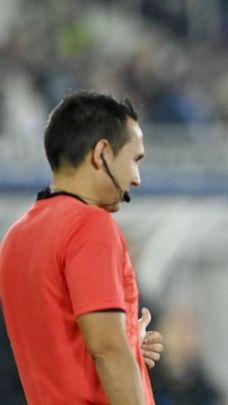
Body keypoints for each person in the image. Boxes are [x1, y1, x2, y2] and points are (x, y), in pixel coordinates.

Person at [0, 91, 164, 405]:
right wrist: (120, 349)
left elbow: (61, 346)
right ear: (101, 153)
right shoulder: (90, 225)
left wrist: (128, 339)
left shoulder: (16, 236)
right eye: (134, 160)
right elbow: (107, 350)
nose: (136, 179)